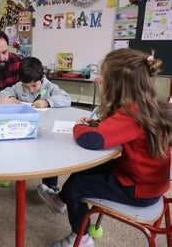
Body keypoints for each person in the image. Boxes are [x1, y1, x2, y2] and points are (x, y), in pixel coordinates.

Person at [45, 48, 172, 247]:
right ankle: (61, 200)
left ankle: (82, 238)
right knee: (84, 170)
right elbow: (118, 131)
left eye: (101, 76)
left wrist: (79, 126)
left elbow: (90, 140)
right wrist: (99, 124)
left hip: (137, 189)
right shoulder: (146, 104)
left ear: (117, 83)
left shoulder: (131, 114)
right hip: (147, 180)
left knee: (78, 186)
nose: (97, 80)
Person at [0, 56, 71, 200]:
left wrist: (47, 101)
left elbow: (66, 98)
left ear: (42, 78)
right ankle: (9, 172)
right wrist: (11, 99)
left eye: (34, 86)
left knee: (49, 154)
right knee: (17, 151)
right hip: (24, 128)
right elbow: (3, 94)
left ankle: (50, 186)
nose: (30, 89)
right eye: (27, 86)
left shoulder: (49, 87)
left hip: (44, 129)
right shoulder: (18, 86)